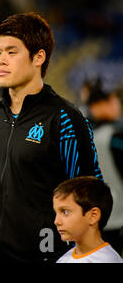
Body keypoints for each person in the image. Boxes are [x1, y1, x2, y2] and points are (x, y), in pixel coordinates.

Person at [0, 12, 102, 263]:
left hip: (45, 256)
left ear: (38, 57)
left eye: (12, 52)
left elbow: (88, 194)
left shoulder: (65, 118)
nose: (1, 61)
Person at [83, 78, 123, 254]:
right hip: (119, 215)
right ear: (96, 106)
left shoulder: (83, 135)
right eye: (111, 101)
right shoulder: (113, 137)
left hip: (95, 213)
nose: (116, 105)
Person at [53, 176, 122, 263]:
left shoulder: (108, 260)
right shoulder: (63, 259)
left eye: (65, 212)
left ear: (93, 216)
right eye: (56, 213)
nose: (56, 222)